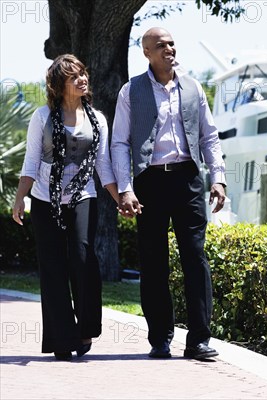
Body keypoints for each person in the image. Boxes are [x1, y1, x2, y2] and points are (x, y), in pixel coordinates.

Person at [111, 27, 227, 360]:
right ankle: (160, 338)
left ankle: (199, 340)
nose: (169, 49)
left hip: (188, 179)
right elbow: (119, 142)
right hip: (149, 181)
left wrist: (217, 178)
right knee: (153, 262)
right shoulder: (130, 91)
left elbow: (209, 137)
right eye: (160, 45)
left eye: (172, 43)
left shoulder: (193, 88)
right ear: (147, 52)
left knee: (195, 256)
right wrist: (126, 188)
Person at [12, 54, 119, 361]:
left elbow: (103, 166)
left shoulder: (97, 119)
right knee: (53, 268)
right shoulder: (42, 116)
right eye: (74, 77)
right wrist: (21, 197)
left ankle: (84, 328)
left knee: (84, 256)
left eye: (83, 73)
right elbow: (32, 161)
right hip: (45, 199)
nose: (82, 79)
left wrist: (121, 197)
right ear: (60, 86)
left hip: (83, 195)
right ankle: (61, 337)